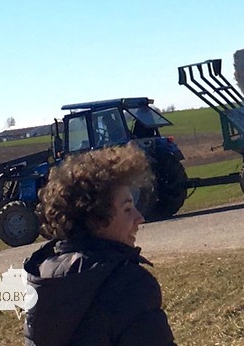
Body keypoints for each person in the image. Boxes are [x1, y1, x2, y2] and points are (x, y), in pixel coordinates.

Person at [23, 143, 177, 346]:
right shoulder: (131, 285)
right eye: (127, 208)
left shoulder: (44, 277)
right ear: (97, 218)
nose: (139, 218)